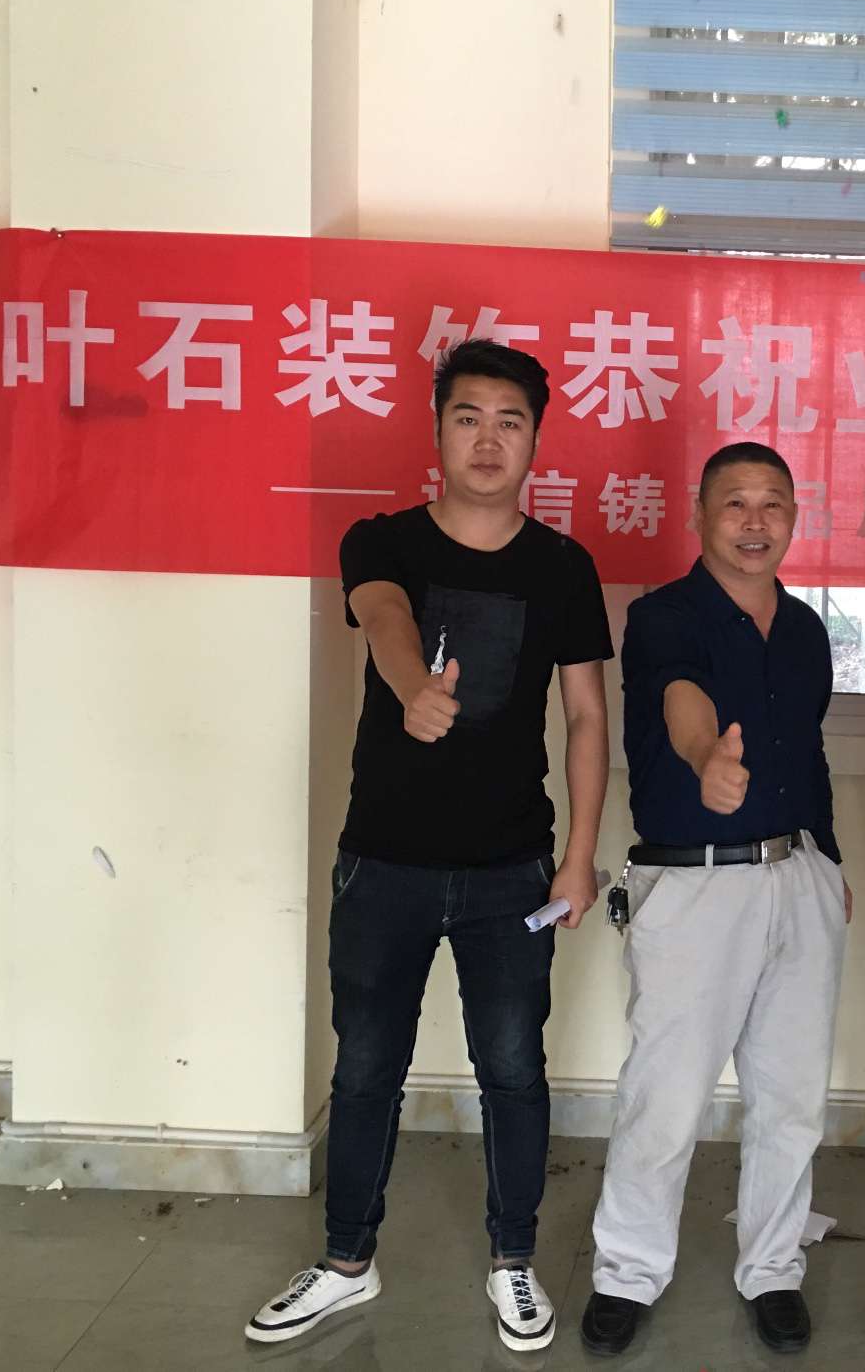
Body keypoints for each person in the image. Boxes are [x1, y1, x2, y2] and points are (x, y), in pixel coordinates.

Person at [245, 339, 612, 1353]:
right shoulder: (383, 540)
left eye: (510, 421)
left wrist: (579, 857)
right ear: (437, 429)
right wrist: (412, 688)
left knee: (513, 1070)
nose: (488, 440)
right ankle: (344, 1263)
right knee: (366, 1068)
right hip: (385, 864)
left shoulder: (562, 567)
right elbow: (383, 616)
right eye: (468, 417)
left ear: (535, 440)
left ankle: (513, 1260)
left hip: (513, 871)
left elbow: (588, 717)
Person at [580, 441, 849, 1359]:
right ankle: (627, 1272)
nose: (755, 521)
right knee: (665, 1096)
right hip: (693, 884)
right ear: (699, 516)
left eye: (774, 503)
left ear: (794, 519)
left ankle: (772, 1268)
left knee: (790, 1096)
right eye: (735, 502)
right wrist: (706, 760)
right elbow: (681, 700)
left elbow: (808, 750)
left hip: (798, 877)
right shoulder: (663, 616)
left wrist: (829, 863)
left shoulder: (806, 629)